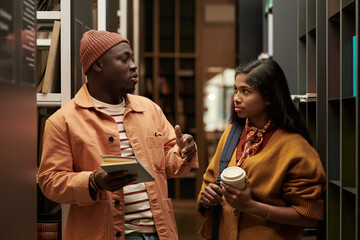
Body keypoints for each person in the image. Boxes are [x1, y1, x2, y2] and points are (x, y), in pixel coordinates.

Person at [37, 30, 198, 240]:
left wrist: (183, 152)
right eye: (124, 59)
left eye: (132, 58)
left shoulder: (149, 109)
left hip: (159, 232)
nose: (133, 65)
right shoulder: (63, 121)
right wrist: (94, 181)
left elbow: (168, 165)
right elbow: (49, 181)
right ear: (97, 65)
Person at [196, 58, 326, 240]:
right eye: (235, 89)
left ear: (269, 98)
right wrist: (207, 197)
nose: (236, 98)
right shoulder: (231, 134)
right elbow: (210, 181)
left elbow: (308, 216)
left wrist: (251, 206)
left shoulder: (295, 147)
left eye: (245, 91)